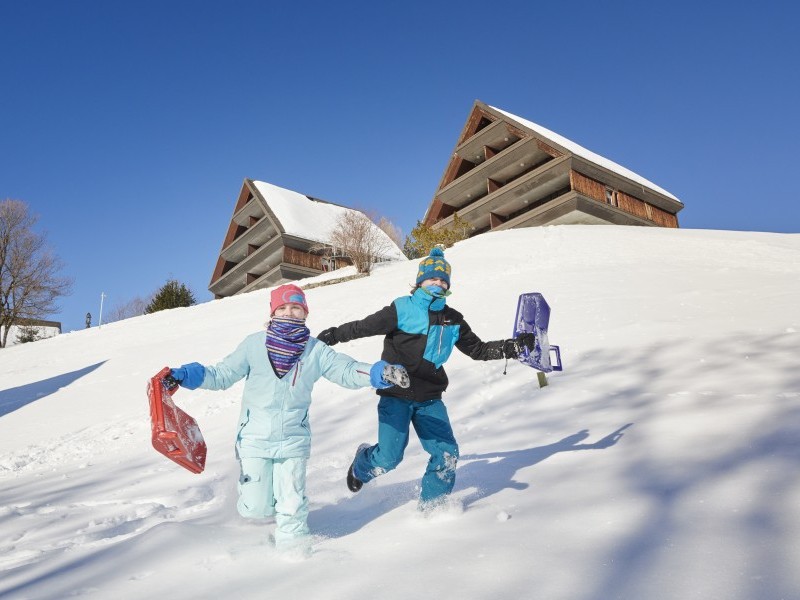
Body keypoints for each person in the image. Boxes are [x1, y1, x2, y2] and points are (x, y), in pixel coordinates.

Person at [167, 283, 408, 555]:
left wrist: (378, 373)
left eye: (296, 307)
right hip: (255, 437)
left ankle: (294, 551)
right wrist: (186, 375)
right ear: (272, 313)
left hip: (293, 437)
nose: (289, 313)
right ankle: (265, 506)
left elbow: (346, 370)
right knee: (256, 507)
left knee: (291, 500)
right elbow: (221, 374)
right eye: (282, 308)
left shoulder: (315, 350)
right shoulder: (253, 345)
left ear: (305, 312)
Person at [316, 246, 535, 512]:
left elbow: (477, 350)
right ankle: (361, 467)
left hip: (429, 398)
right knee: (389, 458)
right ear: (420, 281)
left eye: (443, 280)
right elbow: (363, 327)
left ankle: (433, 507)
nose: (438, 283)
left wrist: (511, 347)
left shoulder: (453, 320)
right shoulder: (402, 309)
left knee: (447, 453)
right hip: (396, 394)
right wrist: (334, 335)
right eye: (432, 278)